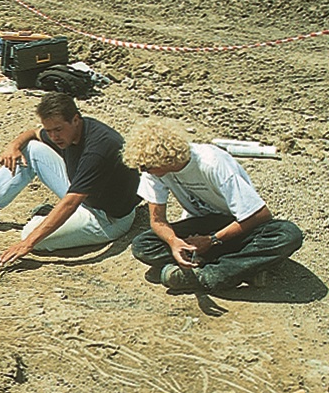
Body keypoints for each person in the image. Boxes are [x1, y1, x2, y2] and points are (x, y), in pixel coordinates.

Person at [0, 93, 140, 266]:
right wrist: (14, 145)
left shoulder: (99, 148)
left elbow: (71, 202)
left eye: (58, 129)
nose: (53, 136)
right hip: (85, 194)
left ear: (76, 120)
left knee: (31, 235)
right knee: (31, 148)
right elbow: (33, 133)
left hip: (107, 218)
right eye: (49, 130)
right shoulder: (67, 131)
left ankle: (46, 219)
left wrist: (28, 244)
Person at [122, 117, 303, 294]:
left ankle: (205, 275)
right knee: (143, 245)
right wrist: (174, 242)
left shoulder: (212, 163)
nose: (143, 171)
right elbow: (157, 220)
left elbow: (260, 214)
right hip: (204, 223)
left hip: (237, 224)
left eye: (146, 167)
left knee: (287, 234)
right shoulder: (155, 173)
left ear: (165, 160)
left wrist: (212, 240)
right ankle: (243, 267)